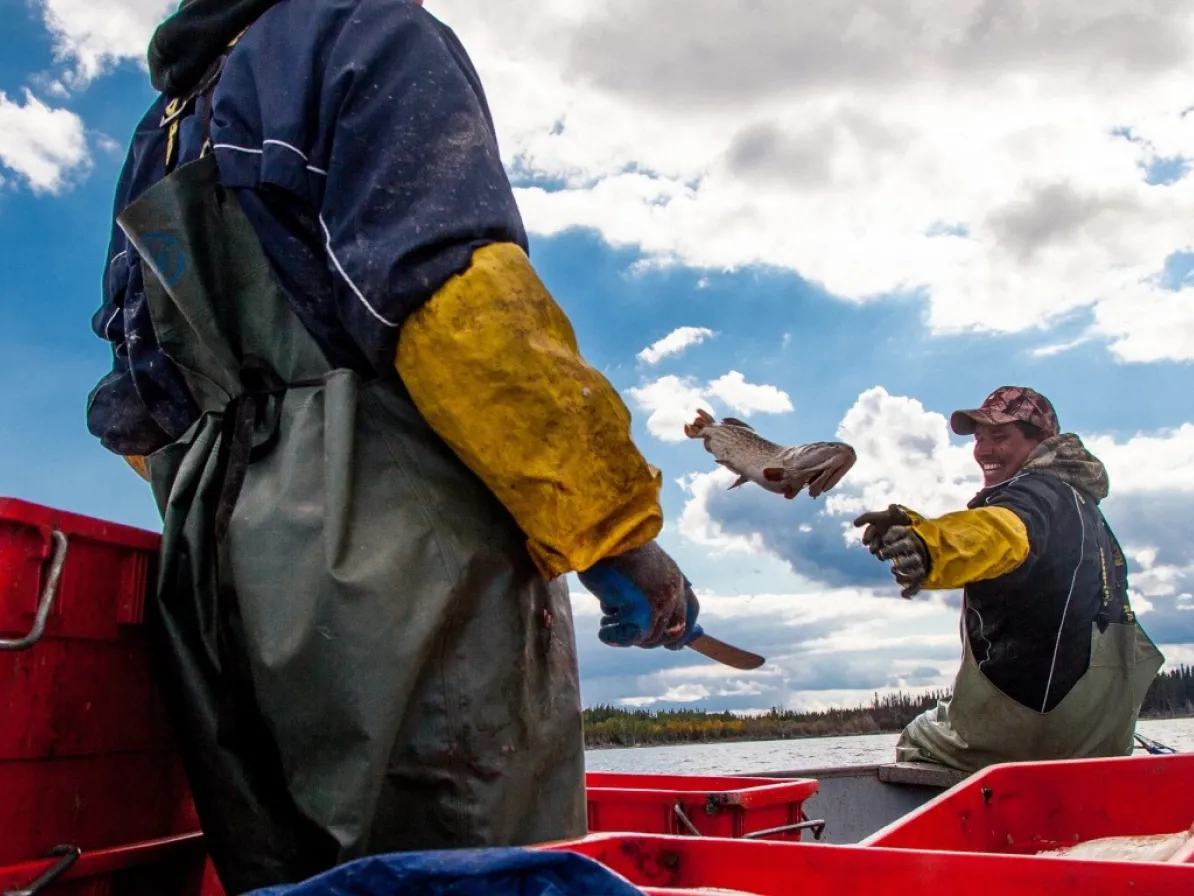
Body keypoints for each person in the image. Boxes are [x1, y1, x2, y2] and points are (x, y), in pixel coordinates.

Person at [84, 0, 701, 891]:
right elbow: (455, 304)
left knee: (290, 873)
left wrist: (247, 522)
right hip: (390, 544)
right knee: (467, 868)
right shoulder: (363, 32)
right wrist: (617, 537)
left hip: (214, 570)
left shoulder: (164, 125)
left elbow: (136, 405)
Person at [852, 386, 1163, 773]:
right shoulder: (1084, 508)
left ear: (1040, 443)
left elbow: (1003, 533)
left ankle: (954, 830)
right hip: (1103, 736)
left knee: (917, 739)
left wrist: (929, 544)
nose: (983, 450)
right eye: (980, 439)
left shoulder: (1032, 496)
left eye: (1000, 437)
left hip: (1032, 728)